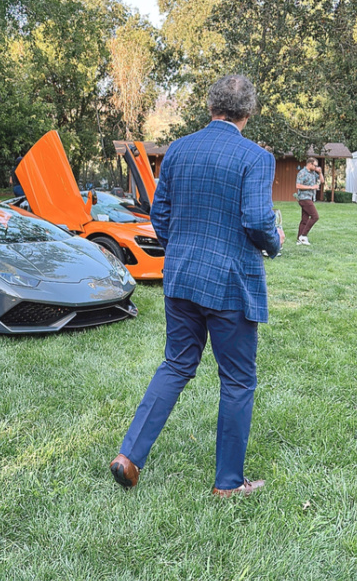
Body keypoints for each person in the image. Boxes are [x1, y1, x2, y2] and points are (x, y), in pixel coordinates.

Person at [110, 75, 283, 497]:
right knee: (239, 380)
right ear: (248, 112)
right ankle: (227, 484)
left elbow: (160, 215)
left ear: (211, 107)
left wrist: (183, 250)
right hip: (230, 284)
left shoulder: (179, 150)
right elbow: (259, 221)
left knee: (176, 364)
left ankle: (129, 456)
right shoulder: (256, 157)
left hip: (182, 276)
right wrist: (275, 241)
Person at [295, 158, 324, 245]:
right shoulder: (302, 173)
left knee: (304, 219)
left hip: (310, 198)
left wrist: (320, 172)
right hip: (304, 198)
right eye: (315, 165)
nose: (316, 167)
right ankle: (303, 236)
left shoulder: (313, 173)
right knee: (315, 216)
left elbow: (322, 181)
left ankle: (299, 239)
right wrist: (311, 187)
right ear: (310, 164)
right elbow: (298, 185)